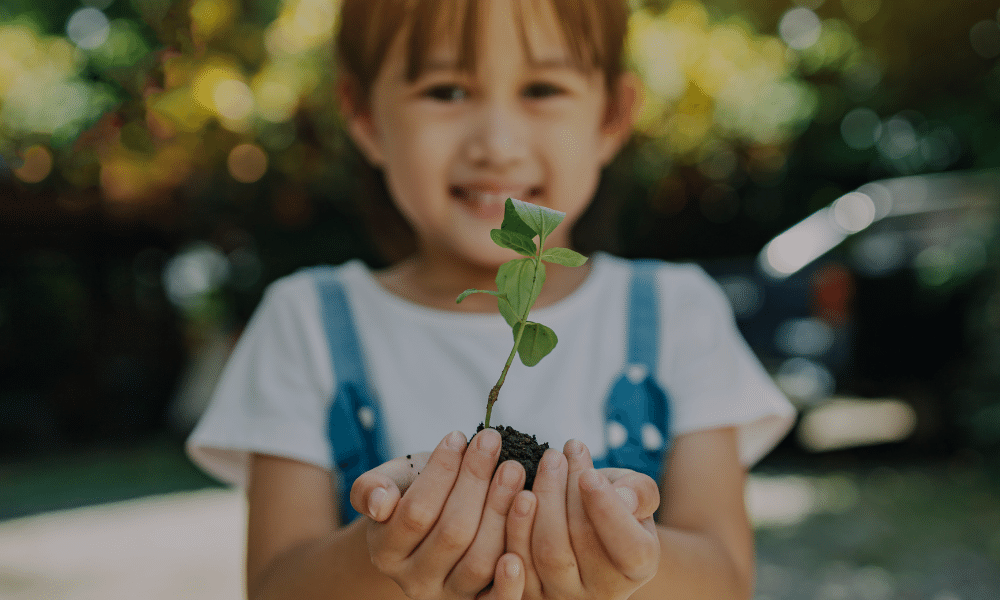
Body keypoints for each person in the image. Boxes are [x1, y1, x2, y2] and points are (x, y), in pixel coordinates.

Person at [186, 0, 796, 598]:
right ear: (365, 115)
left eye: (542, 89)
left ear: (612, 114)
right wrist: (388, 545)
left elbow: (725, 579)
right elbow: (276, 586)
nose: (498, 144)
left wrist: (622, 553)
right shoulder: (307, 324)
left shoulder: (677, 312)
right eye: (447, 91)